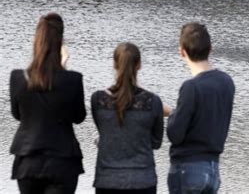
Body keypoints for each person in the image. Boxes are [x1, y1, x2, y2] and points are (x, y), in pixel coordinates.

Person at [9, 12, 86, 194]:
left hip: (27, 161)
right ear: (60, 42)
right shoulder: (73, 80)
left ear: (37, 41)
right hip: (63, 161)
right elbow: (78, 117)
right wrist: (64, 67)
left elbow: (17, 115)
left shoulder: (18, 78)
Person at [167, 23, 235, 194]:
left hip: (188, 169)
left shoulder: (191, 87)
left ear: (182, 52)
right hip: (213, 169)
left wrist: (170, 114)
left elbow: (175, 134)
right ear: (211, 49)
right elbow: (207, 118)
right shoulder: (226, 81)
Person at [91, 42, 165, 194]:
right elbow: (156, 143)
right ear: (139, 65)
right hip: (143, 181)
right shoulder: (152, 102)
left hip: (107, 180)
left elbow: (104, 133)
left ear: (114, 64)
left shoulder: (98, 100)